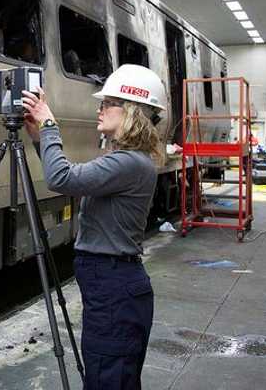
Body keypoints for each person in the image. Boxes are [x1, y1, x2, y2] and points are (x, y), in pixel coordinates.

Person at [21, 64, 167, 389]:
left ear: (131, 111)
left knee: (107, 378)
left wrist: (49, 125)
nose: (99, 110)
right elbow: (72, 178)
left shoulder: (129, 162)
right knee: (110, 375)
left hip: (114, 288)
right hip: (113, 286)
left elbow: (63, 178)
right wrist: (38, 137)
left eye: (107, 103)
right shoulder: (128, 160)